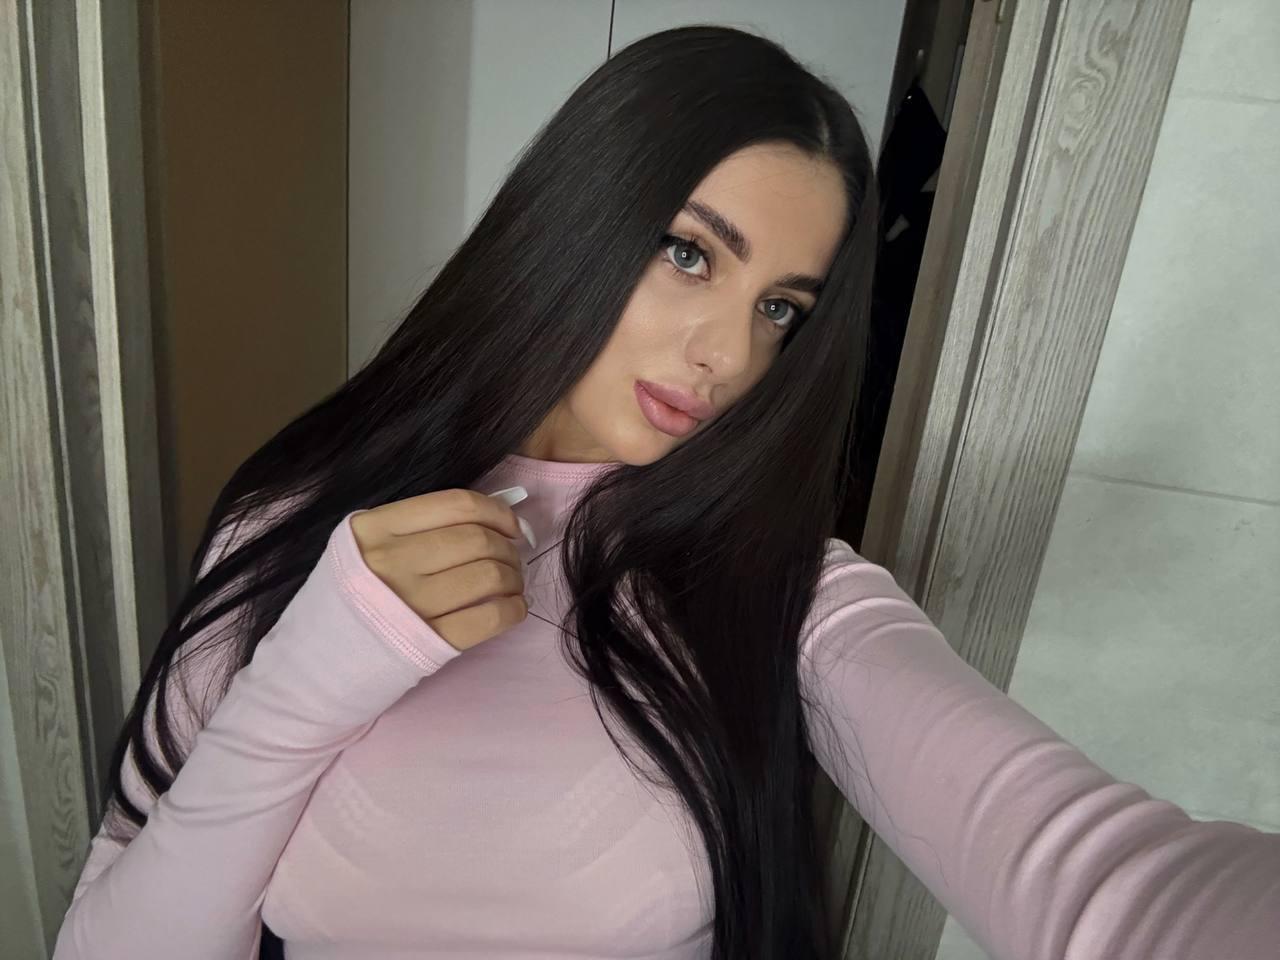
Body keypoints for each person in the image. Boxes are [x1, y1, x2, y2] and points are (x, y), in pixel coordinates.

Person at [54, 24, 1278, 960]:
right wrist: (312, 674)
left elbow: (1098, 882)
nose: (728, 355)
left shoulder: (782, 592)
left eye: (778, 310)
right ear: (574, 219)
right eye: (690, 253)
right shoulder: (297, 525)